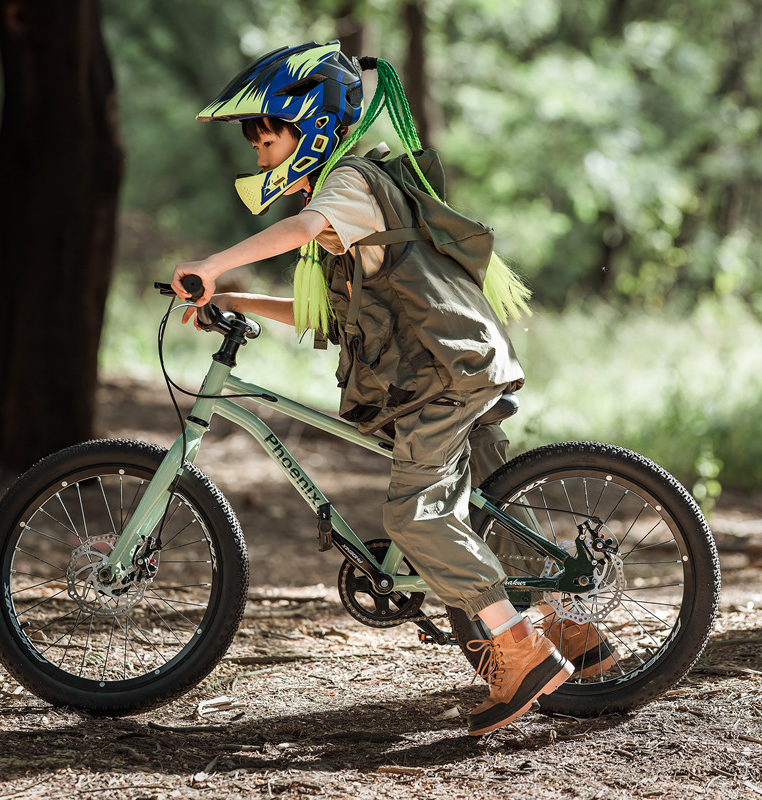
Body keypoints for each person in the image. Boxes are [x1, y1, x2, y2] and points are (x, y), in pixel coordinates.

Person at [172, 41, 612, 735]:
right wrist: (237, 297)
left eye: (268, 138)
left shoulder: (347, 186)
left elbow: (305, 226)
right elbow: (325, 314)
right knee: (492, 509)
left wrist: (214, 261)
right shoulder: (348, 205)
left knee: (415, 515)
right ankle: (574, 638)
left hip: (444, 372)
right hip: (454, 364)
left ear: (311, 128)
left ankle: (521, 652)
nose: (260, 157)